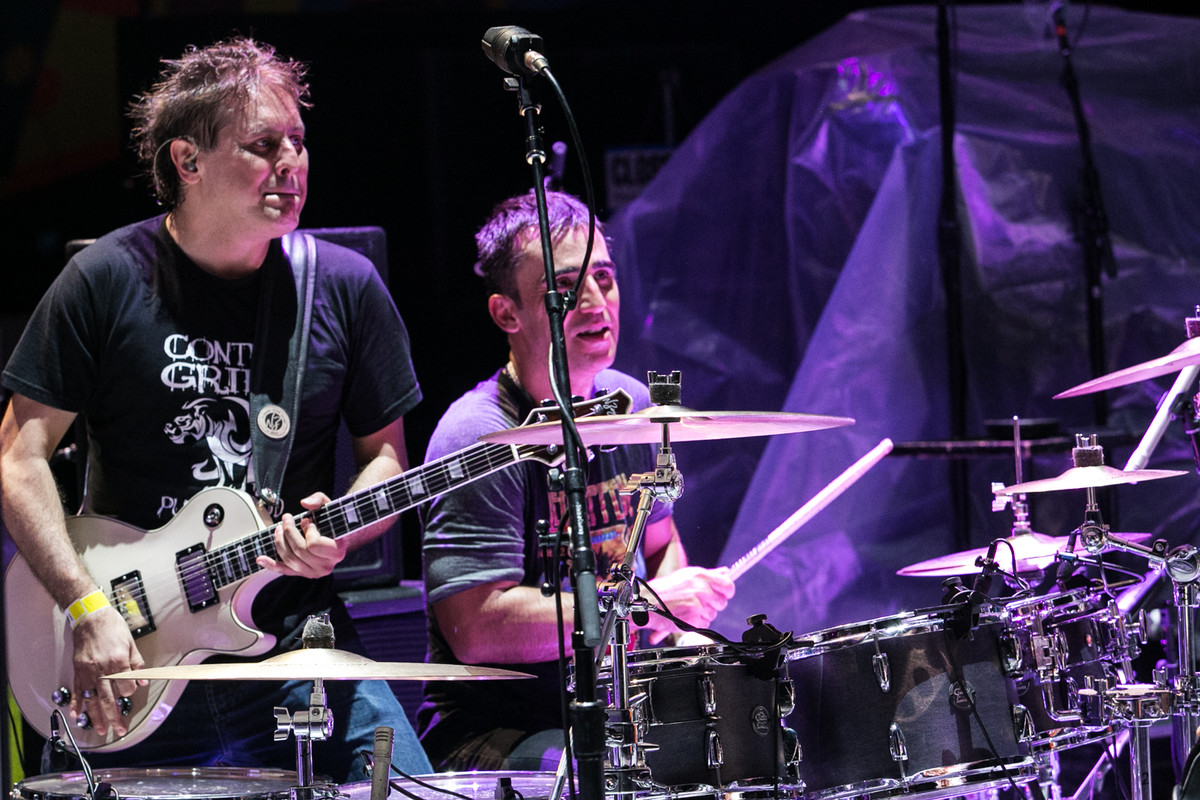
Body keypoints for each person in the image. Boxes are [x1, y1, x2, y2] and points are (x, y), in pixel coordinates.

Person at [0, 37, 431, 781]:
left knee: (413, 788)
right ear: (187, 162)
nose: (290, 162)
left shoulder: (346, 289)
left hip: (295, 640)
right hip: (132, 651)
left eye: (297, 141)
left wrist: (342, 534)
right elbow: (19, 456)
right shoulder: (103, 279)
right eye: (263, 144)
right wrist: (84, 608)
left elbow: (386, 461)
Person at [416, 190, 736, 771]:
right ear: (506, 313)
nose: (596, 303)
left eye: (606, 280)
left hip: (618, 707)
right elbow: (479, 627)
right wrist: (646, 607)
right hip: (498, 729)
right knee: (607, 777)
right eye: (565, 290)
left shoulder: (633, 405)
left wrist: (679, 628)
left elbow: (661, 546)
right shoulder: (478, 437)